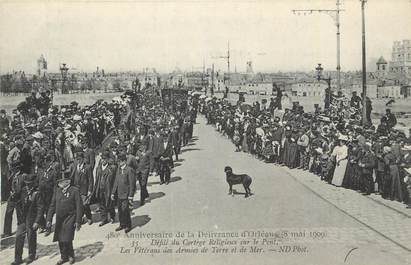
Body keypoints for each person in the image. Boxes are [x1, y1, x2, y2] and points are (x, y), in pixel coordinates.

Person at [46, 172, 83, 265]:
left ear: (67, 181)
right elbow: (52, 205)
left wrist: (78, 221)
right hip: (59, 218)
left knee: (67, 237)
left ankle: (71, 256)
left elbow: (79, 206)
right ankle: (63, 257)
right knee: (60, 238)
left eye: (61, 181)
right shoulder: (57, 191)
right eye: (59, 182)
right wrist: (49, 219)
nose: (59, 183)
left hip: (70, 217)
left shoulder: (75, 190)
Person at [12, 174, 43, 265]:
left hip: (31, 220)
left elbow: (41, 208)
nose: (28, 186)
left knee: (31, 237)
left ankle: (31, 255)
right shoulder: (23, 190)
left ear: (33, 184)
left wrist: (37, 221)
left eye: (30, 184)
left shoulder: (37, 193)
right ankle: (18, 259)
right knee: (18, 238)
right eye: (26, 184)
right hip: (22, 220)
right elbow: (18, 201)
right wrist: (13, 197)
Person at [111, 152, 135, 233]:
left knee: (125, 210)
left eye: (120, 161)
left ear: (124, 161)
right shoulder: (118, 169)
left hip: (126, 194)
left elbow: (132, 184)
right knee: (120, 210)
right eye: (118, 161)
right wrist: (113, 193)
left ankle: (128, 225)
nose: (119, 163)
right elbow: (116, 182)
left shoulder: (129, 170)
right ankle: (122, 224)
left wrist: (131, 195)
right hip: (119, 194)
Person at [70, 149, 93, 225]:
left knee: (85, 204)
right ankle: (81, 217)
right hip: (76, 189)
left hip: (84, 189)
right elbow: (72, 177)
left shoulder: (88, 167)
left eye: (80, 159)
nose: (78, 161)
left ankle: (89, 217)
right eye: (77, 159)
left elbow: (90, 180)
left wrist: (90, 190)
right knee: (78, 205)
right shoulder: (75, 166)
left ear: (83, 159)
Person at [93, 150, 116, 226]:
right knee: (102, 205)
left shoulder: (111, 168)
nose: (103, 160)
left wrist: (113, 191)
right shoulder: (98, 168)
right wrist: (96, 188)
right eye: (102, 159)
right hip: (100, 189)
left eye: (105, 159)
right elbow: (96, 179)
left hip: (108, 189)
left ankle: (112, 216)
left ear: (108, 159)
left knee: (110, 204)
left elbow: (114, 181)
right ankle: (104, 219)